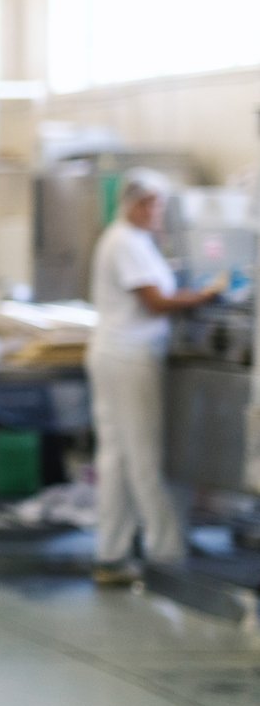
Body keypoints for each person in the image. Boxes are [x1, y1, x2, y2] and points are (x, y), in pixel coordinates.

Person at [86, 167, 222, 584]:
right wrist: (207, 294)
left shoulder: (131, 240)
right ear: (131, 203)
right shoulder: (125, 241)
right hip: (129, 356)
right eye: (149, 204)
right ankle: (166, 553)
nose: (155, 211)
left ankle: (111, 553)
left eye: (159, 204)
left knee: (117, 457)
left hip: (114, 352)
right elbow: (154, 302)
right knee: (143, 457)